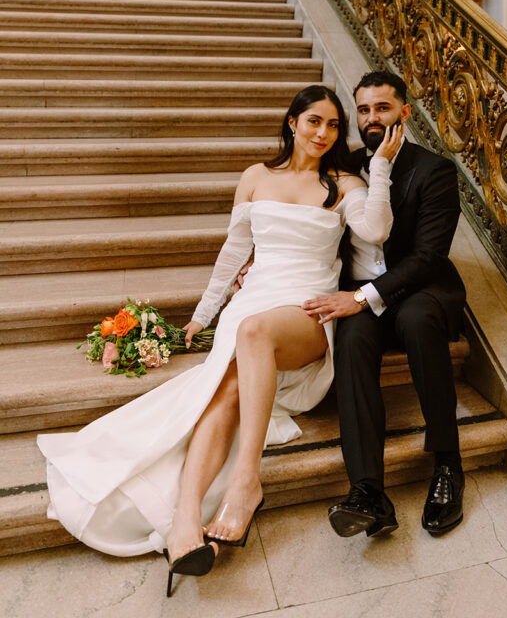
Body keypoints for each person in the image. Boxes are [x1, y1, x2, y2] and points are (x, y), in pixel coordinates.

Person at [38, 85, 401, 596]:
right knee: (226, 386)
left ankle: (245, 482)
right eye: (314, 121)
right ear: (292, 122)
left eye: (334, 125)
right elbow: (234, 253)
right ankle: (184, 523)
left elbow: (377, 231)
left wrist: (380, 166)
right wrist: (203, 315)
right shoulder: (255, 177)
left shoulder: (343, 183)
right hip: (252, 302)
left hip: (305, 313)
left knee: (254, 334)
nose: (324, 133)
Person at [303, 71, 466, 537]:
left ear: (404, 113)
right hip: (358, 294)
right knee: (350, 340)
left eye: (383, 108)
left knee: (417, 320)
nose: (372, 118)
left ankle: (448, 465)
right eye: (364, 110)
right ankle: (368, 490)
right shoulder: (343, 169)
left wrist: (361, 297)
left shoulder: (434, 170)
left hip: (421, 289)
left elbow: (428, 257)